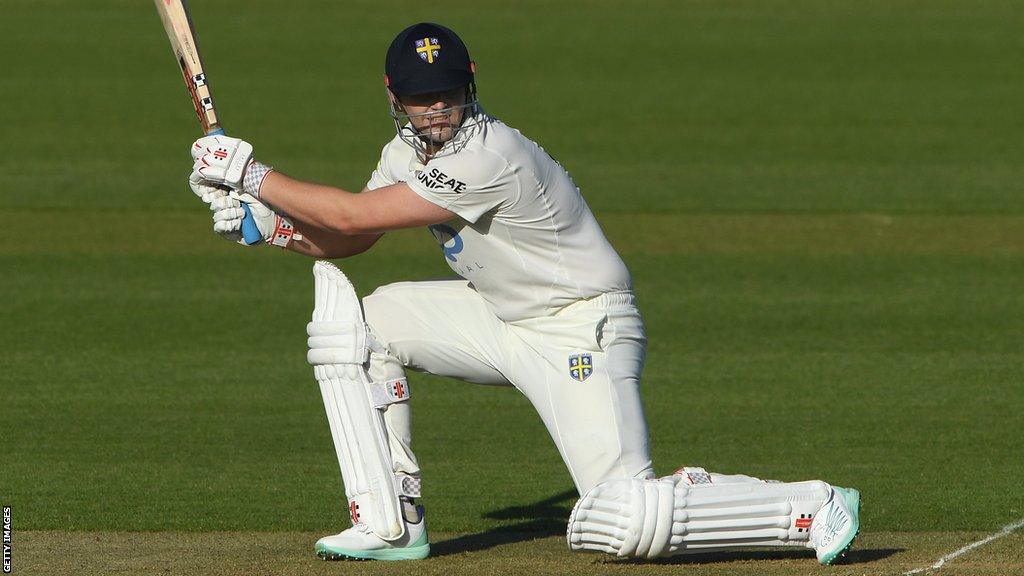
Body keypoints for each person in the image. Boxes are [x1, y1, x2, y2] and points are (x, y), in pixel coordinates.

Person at [186, 22, 860, 564]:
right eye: (423, 97)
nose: (438, 109)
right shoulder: (403, 156)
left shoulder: (491, 154)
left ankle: (810, 503)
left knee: (619, 518)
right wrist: (263, 225)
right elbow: (352, 238)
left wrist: (251, 172)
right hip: (501, 318)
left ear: (470, 87)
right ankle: (392, 524)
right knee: (366, 323)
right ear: (394, 98)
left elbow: (353, 218)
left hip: (581, 327)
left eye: (449, 93)